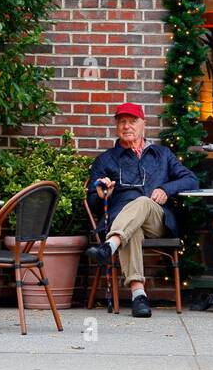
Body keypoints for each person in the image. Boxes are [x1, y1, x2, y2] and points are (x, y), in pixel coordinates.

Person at [85, 102, 199, 318]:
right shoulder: (106, 159)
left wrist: (166, 188)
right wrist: (102, 195)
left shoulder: (162, 155)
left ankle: (109, 245)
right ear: (117, 126)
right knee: (132, 231)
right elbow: (93, 200)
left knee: (145, 202)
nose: (127, 126)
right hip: (122, 222)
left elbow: (191, 180)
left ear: (143, 124)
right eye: (122, 122)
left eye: (132, 121)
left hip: (156, 221)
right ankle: (139, 296)